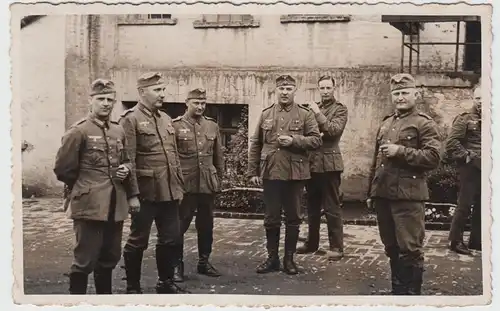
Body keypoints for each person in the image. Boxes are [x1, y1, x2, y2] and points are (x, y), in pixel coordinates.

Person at [54, 79, 136, 294]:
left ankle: (104, 301)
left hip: (114, 205)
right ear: (90, 101)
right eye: (101, 99)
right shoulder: (78, 132)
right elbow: (63, 169)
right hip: (89, 205)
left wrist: (125, 169)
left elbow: (127, 159)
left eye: (110, 99)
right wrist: (83, 186)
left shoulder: (118, 131)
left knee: (110, 257)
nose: (106, 103)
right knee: (85, 259)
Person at [366, 73, 441, 295]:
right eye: (396, 94)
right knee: (391, 247)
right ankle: (397, 293)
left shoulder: (423, 124)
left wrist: (401, 151)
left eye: (405, 93)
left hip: (408, 196)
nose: (400, 98)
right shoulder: (387, 123)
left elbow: (433, 157)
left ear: (415, 94)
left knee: (410, 248)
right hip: (384, 195)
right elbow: (376, 161)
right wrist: (371, 192)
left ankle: (412, 297)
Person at [119, 72, 187, 294]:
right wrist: (132, 194)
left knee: (171, 239)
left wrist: (178, 186)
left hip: (169, 191)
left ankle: (165, 283)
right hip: (145, 193)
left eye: (163, 90)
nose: (163, 94)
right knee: (138, 240)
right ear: (141, 92)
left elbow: (174, 156)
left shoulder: (166, 119)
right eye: (157, 90)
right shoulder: (130, 119)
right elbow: (127, 159)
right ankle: (132, 287)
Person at [248, 74, 322, 275]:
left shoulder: (305, 114)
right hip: (271, 172)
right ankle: (272, 258)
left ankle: (289, 259)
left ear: (294, 91)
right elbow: (256, 143)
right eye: (281, 88)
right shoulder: (266, 114)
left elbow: (316, 140)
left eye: (289, 88)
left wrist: (294, 140)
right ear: (276, 90)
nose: (284, 92)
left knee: (293, 217)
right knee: (271, 217)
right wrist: (252, 171)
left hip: (294, 174)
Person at [171, 88, 224, 282]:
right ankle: (177, 265)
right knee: (179, 226)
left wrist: (219, 180)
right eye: (196, 103)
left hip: (207, 185)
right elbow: (172, 157)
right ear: (187, 102)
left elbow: (218, 157)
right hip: (185, 184)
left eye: (203, 103)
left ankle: (204, 261)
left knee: (206, 225)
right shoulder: (175, 126)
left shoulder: (212, 126)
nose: (200, 106)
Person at [297, 75, 348, 261]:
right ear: (318, 89)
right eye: (322, 88)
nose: (325, 91)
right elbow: (308, 132)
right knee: (311, 205)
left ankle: (336, 246)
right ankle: (312, 243)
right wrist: (318, 130)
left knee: (331, 207)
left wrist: (318, 113)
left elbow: (333, 131)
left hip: (329, 165)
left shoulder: (340, 109)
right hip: (312, 164)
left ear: (334, 88)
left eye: (328, 88)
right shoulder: (311, 108)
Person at [445, 84, 482, 255]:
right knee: (464, 204)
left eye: (485, 98)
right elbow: (452, 142)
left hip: (488, 167)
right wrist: (467, 156)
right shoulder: (464, 118)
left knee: (483, 204)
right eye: (478, 98)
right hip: (470, 167)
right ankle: (455, 240)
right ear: (473, 99)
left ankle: (476, 241)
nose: (481, 102)